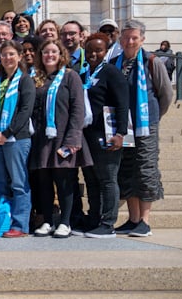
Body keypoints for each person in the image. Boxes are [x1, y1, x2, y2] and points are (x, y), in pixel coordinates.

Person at [110, 20, 172, 238]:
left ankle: (145, 221)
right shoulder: (115, 63)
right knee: (127, 171)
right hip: (123, 126)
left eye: (134, 37)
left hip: (146, 124)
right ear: (120, 39)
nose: (129, 41)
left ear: (142, 39)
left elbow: (165, 95)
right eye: (126, 37)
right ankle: (133, 219)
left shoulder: (152, 61)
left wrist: (151, 117)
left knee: (145, 170)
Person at [30, 40, 88, 238]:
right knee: (43, 182)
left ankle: (65, 222)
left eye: (54, 52)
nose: (49, 55)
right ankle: (47, 220)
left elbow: (78, 109)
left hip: (63, 137)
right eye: (45, 52)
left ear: (61, 54)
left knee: (64, 181)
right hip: (41, 138)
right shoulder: (36, 77)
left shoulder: (70, 76)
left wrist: (73, 139)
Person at [0, 40, 35, 238]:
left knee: (19, 183)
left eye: (11, 54)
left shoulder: (25, 81)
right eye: (3, 55)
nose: (7, 58)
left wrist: (6, 134)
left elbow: (25, 111)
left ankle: (20, 225)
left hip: (16, 139)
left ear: (19, 57)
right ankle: (2, 223)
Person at [80, 33, 129, 238]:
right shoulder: (84, 74)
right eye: (90, 50)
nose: (93, 54)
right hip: (87, 134)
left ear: (106, 51)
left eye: (98, 50)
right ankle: (94, 218)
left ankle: (108, 222)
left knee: (108, 178)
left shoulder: (111, 72)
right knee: (91, 179)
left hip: (107, 134)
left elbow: (122, 103)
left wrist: (120, 133)